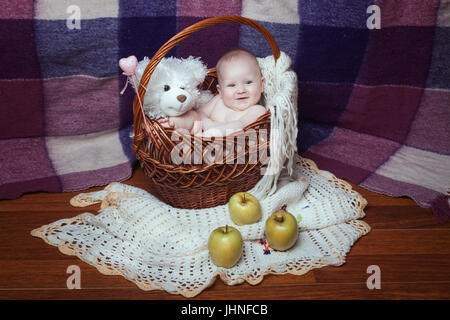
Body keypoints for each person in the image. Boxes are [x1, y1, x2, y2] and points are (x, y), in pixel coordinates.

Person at [159, 48, 267, 137]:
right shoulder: (218, 100)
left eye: (248, 82)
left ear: (261, 85)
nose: (241, 90)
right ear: (220, 90)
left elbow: (241, 125)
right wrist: (208, 124)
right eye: (232, 85)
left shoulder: (258, 110)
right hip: (201, 135)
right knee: (191, 115)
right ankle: (171, 126)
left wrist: (213, 132)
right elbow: (199, 114)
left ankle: (186, 141)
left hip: (227, 149)